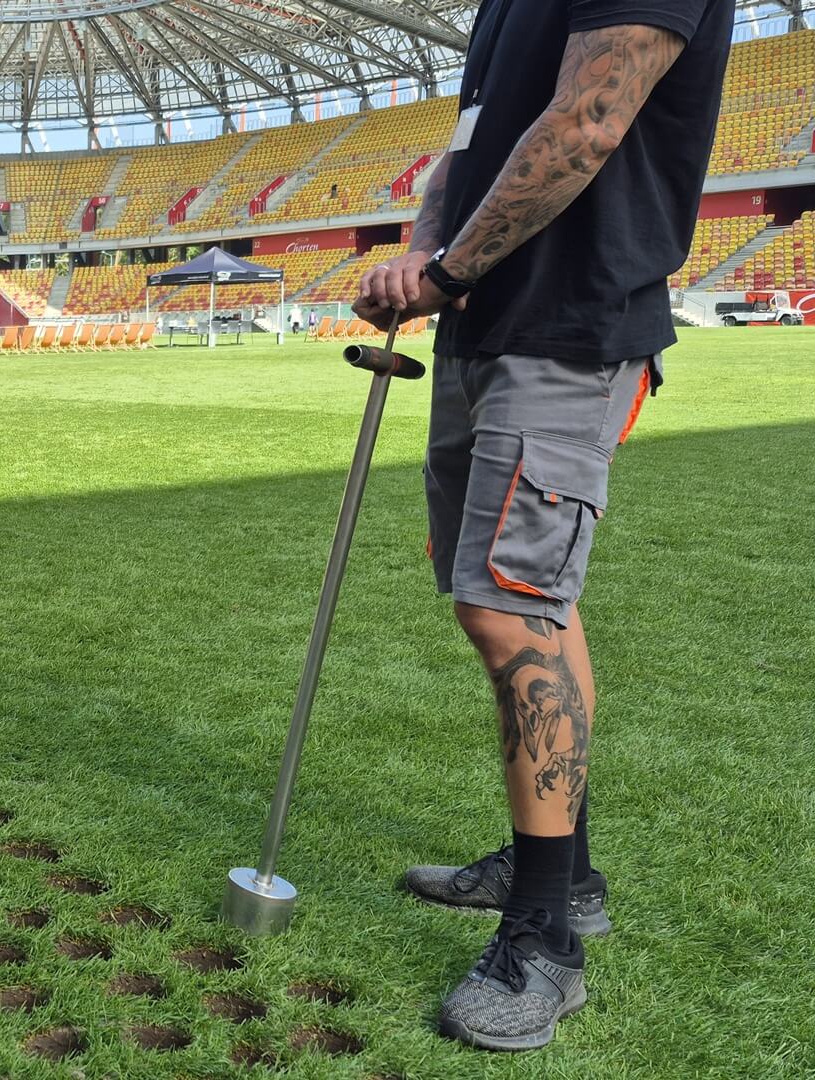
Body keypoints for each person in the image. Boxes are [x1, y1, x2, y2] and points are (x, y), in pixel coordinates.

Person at [353, 0, 731, 1051]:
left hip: (570, 323)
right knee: (534, 611)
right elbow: (468, 147)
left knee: (509, 610)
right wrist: (424, 248)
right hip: (487, 320)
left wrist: (440, 273)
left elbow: (586, 125)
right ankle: (562, 869)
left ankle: (546, 945)